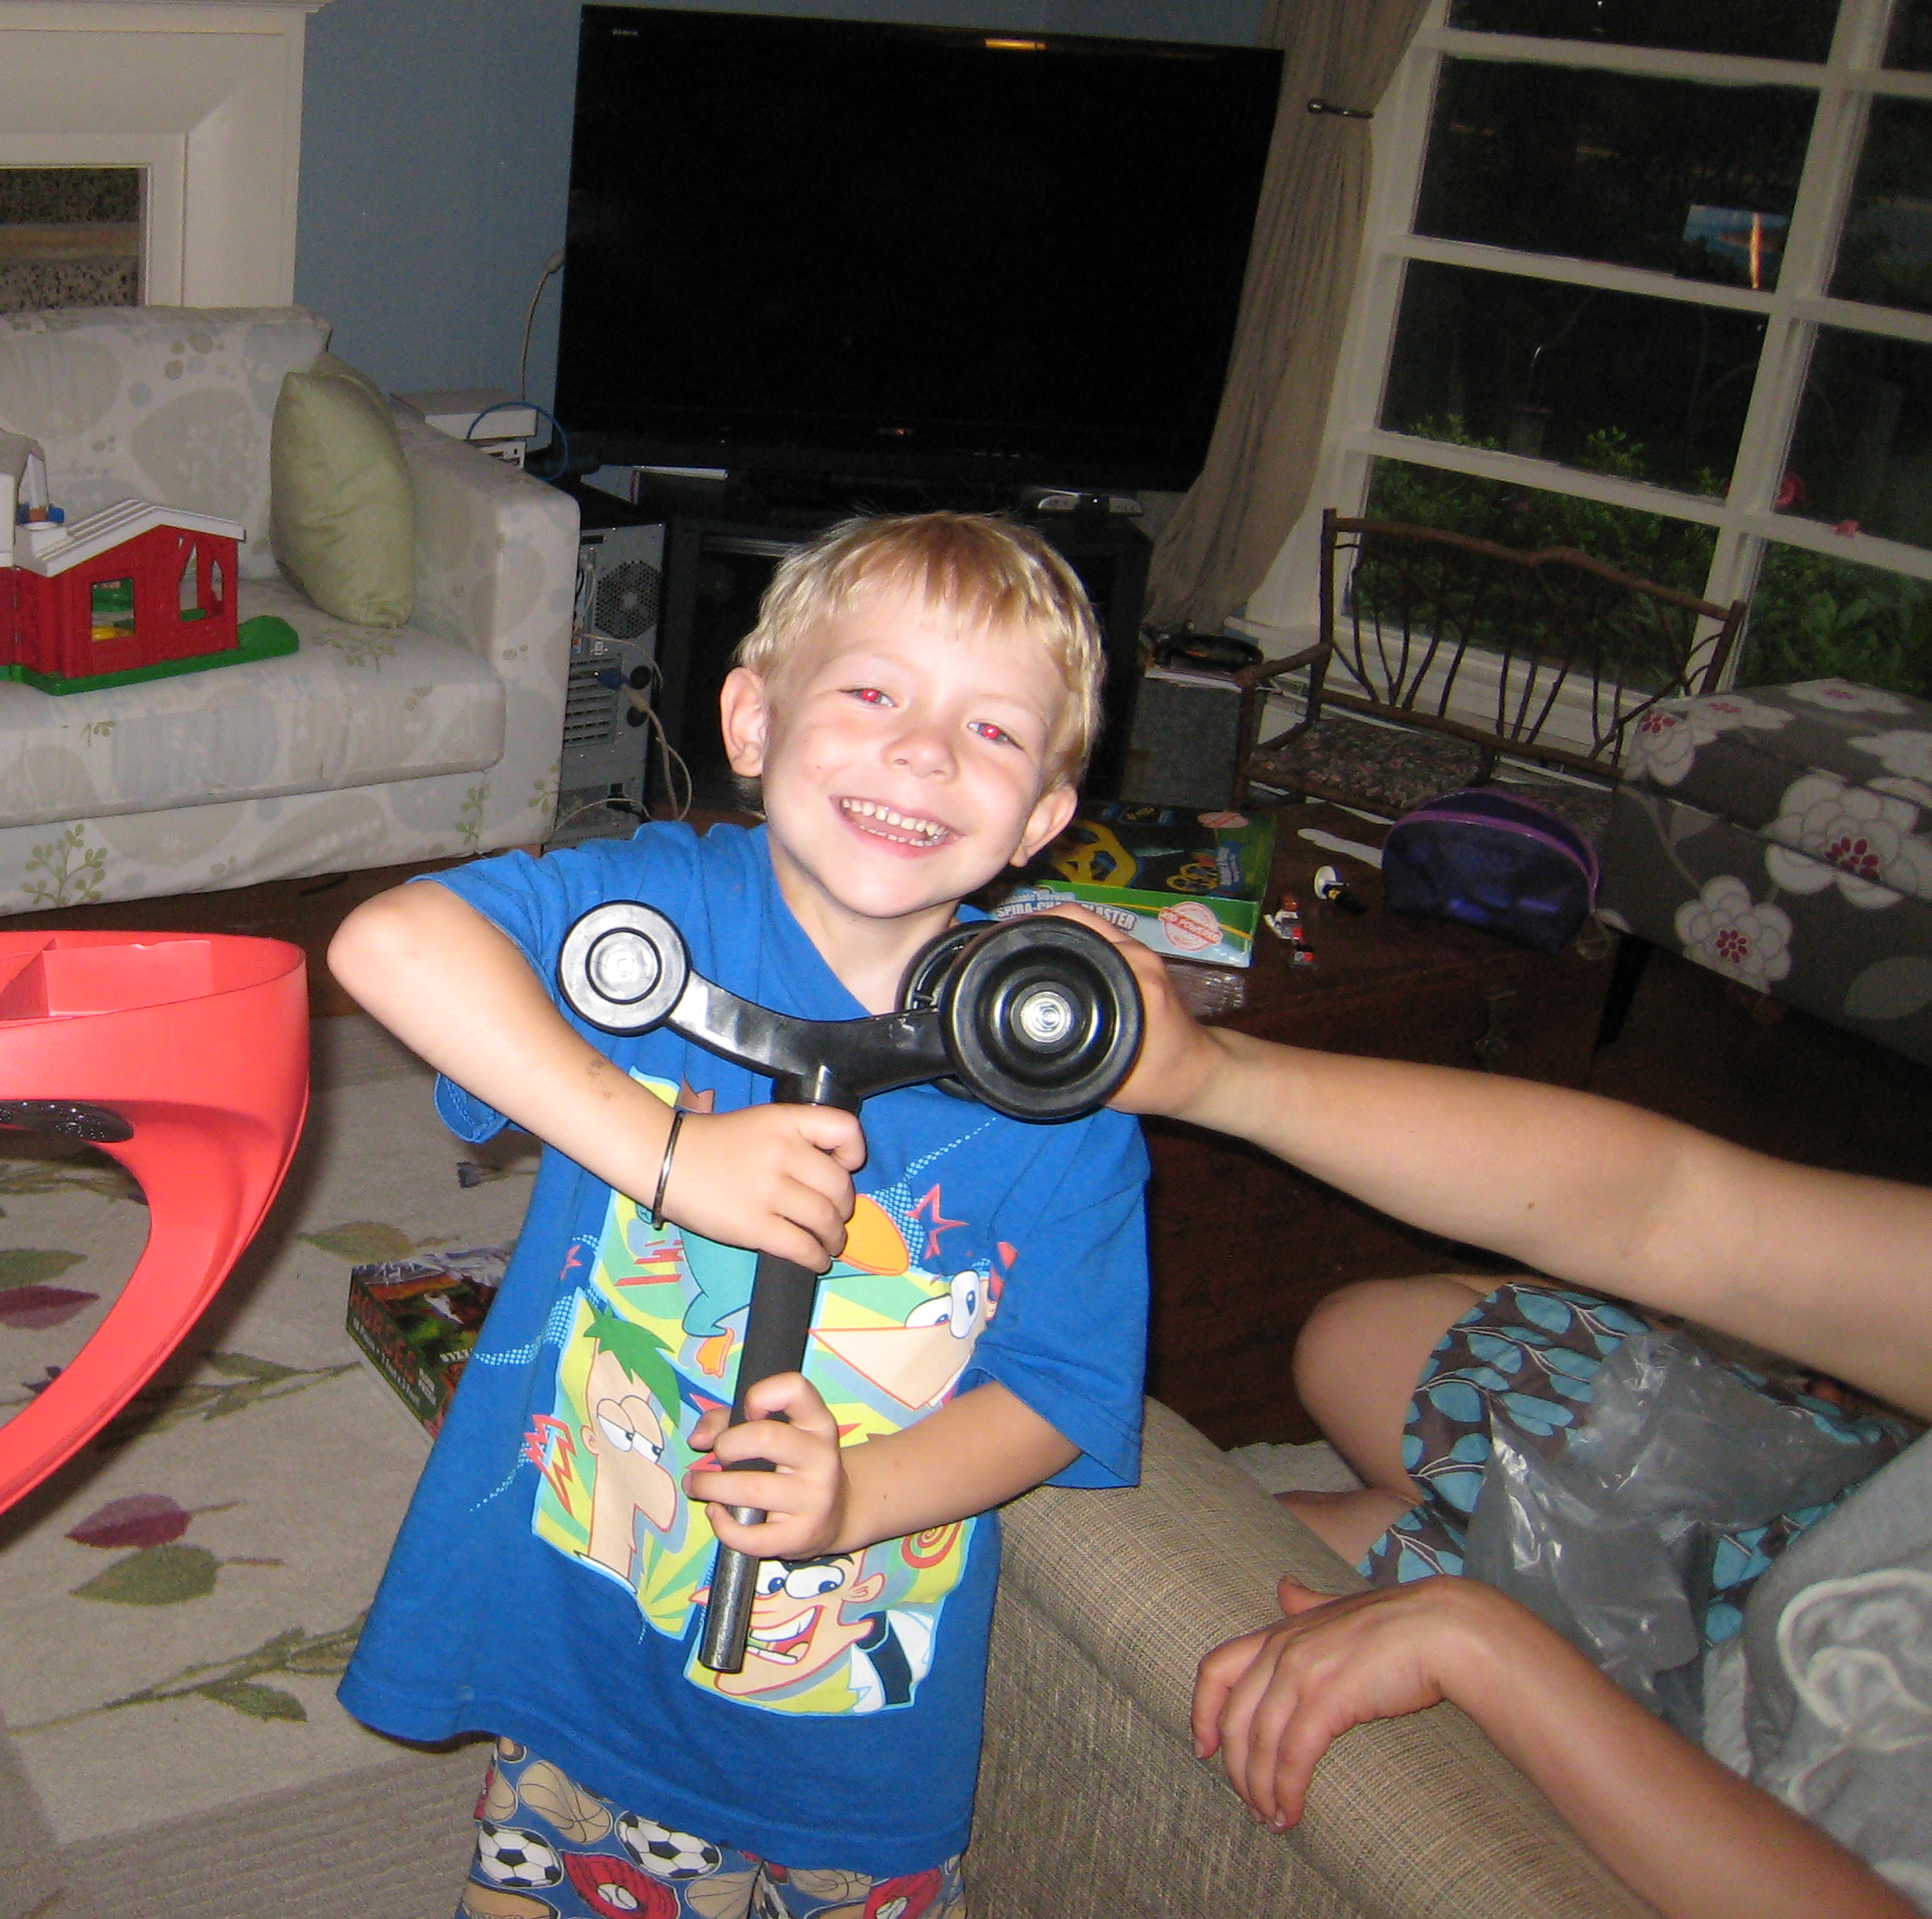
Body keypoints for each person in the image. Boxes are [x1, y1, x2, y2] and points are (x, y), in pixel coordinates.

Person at [331, 514, 1149, 1917]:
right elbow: (387, 942)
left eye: (993, 730)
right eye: (874, 692)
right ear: (754, 721)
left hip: (844, 1736)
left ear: (1042, 820)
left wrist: (859, 1502)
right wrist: (664, 1153)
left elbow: (1063, 1389)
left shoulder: (1051, 1078)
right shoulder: (660, 911)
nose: (925, 753)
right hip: (588, 1652)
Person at [1097, 930, 1931, 1919]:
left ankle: (1443, 1558)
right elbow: (1675, 1210)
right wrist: (1213, 1075)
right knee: (1353, 1343)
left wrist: (1480, 1643)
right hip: (1805, 1545)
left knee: (1217, 1585)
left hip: (1709, 1786)